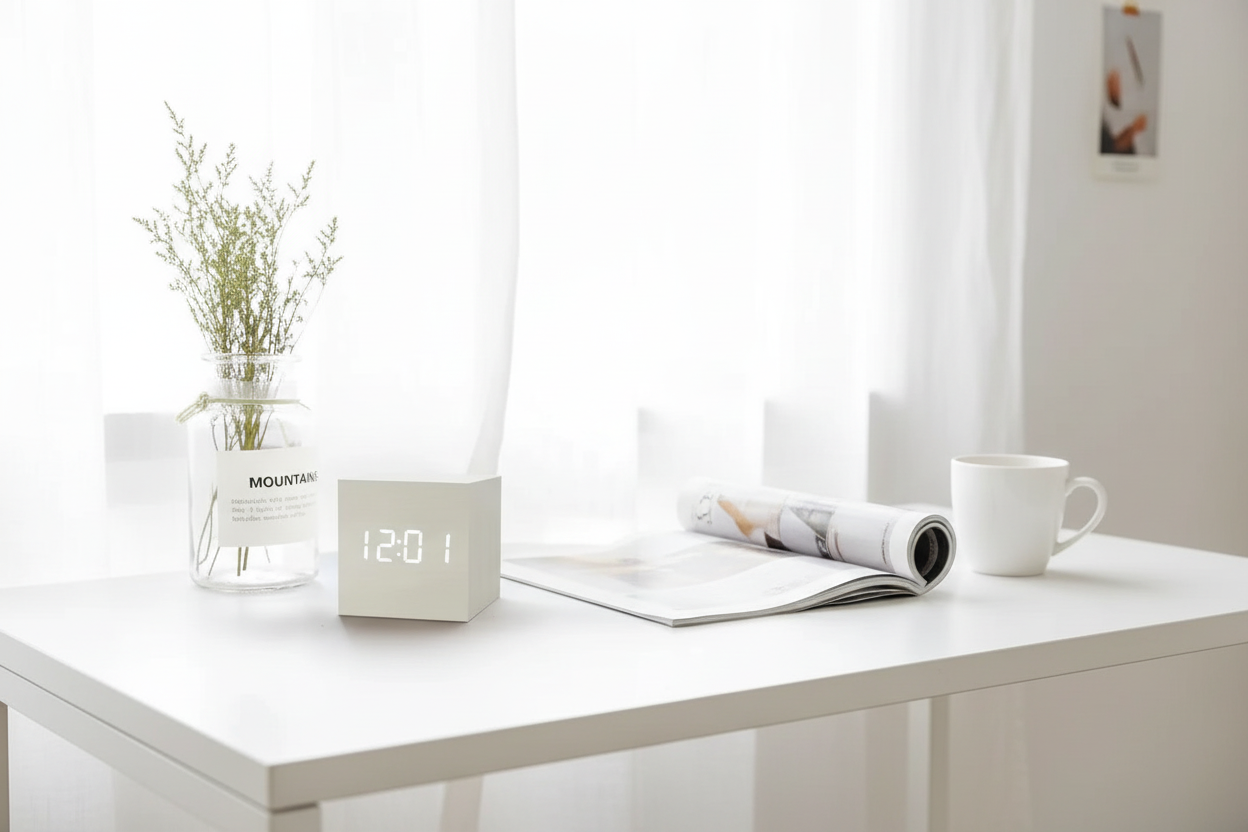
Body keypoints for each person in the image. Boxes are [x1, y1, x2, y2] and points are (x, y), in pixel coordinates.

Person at [1100, 68, 1148, 155]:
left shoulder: (1124, 109)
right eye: (1113, 82)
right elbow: (1114, 147)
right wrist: (1134, 129)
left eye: (1118, 82)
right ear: (1107, 84)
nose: (1118, 86)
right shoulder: (1104, 116)